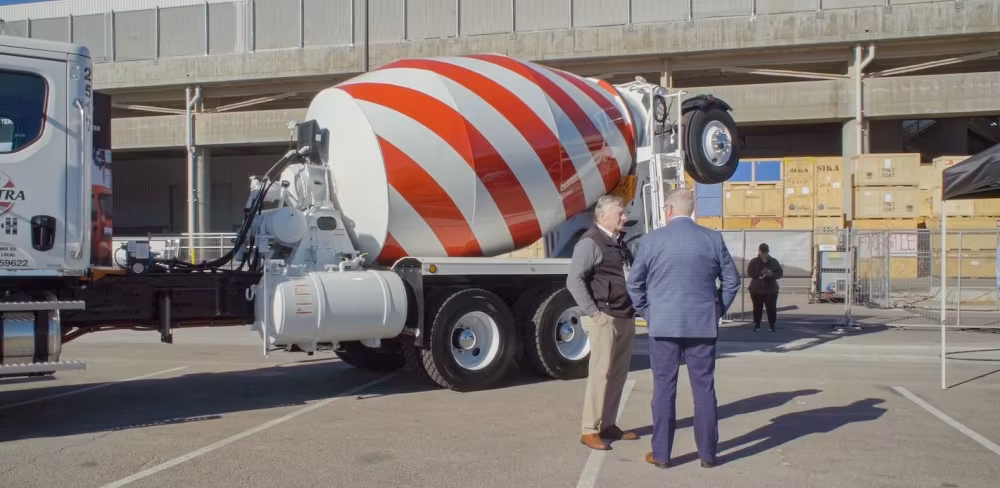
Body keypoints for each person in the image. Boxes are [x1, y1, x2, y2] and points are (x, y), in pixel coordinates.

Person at [625, 189, 740, 469]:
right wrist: (715, 310)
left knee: (664, 390)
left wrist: (649, 312)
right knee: (704, 390)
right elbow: (732, 281)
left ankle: (662, 455)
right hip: (702, 325)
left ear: (668, 210)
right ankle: (708, 455)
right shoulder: (712, 238)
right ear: (691, 210)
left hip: (663, 326)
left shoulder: (652, 240)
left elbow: (634, 285)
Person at [566, 194, 639, 451]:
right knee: (600, 374)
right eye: (620, 213)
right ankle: (589, 429)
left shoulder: (618, 243)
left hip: (625, 315)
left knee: (618, 373)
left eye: (624, 213)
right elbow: (574, 280)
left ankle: (608, 424)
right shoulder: (590, 242)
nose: (625, 218)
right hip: (605, 317)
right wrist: (595, 314)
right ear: (603, 216)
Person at [747, 243, 784, 332]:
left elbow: (780, 273)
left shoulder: (774, 261)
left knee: (771, 308)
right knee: (757, 308)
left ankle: (772, 325)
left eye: (765, 252)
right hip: (756, 289)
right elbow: (750, 273)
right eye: (762, 252)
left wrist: (771, 274)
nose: (764, 254)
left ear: (768, 252)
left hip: (771, 289)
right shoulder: (754, 261)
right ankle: (757, 325)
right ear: (759, 251)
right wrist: (760, 273)